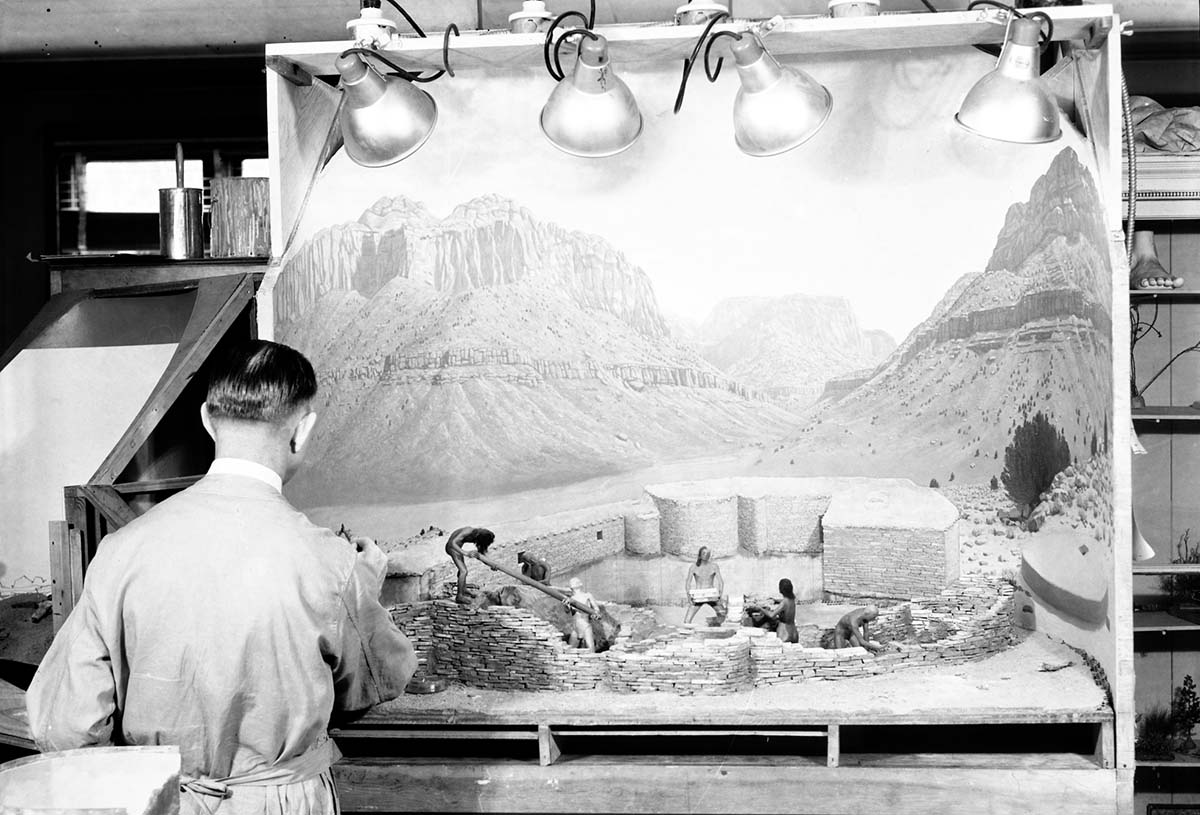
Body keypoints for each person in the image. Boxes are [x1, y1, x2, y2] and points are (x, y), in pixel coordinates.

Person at [25, 340, 417, 815]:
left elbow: (66, 726)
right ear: (303, 430)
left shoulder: (120, 552)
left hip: (161, 803)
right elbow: (371, 686)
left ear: (208, 419)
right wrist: (363, 589)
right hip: (282, 804)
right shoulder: (331, 564)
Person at [445, 526, 495, 604]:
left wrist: (491, 564)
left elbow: (482, 554)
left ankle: (463, 589)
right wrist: (465, 553)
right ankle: (459, 596)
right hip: (452, 547)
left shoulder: (477, 536)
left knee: (462, 570)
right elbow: (452, 543)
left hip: (457, 548)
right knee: (463, 571)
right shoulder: (467, 531)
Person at [745, 579, 799, 644]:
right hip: (794, 633)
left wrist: (760, 608)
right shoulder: (792, 599)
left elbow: (771, 615)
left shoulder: (784, 602)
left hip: (785, 633)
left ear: (781, 589)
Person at [683, 546, 725, 624]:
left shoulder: (714, 566)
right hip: (699, 595)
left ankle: (712, 626)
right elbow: (688, 582)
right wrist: (689, 597)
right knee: (687, 621)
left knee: (723, 615)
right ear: (700, 555)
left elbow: (721, 582)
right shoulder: (694, 567)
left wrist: (720, 595)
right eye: (704, 553)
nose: (706, 555)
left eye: (708, 553)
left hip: (712, 595)